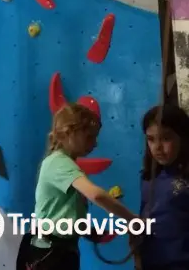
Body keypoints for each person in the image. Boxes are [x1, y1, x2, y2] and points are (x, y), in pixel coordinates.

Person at [15, 103, 138, 270]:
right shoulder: (58, 162)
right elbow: (96, 195)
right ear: (68, 133)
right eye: (89, 137)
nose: (94, 144)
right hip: (46, 254)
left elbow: (64, 213)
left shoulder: (66, 164)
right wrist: (133, 219)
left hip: (58, 250)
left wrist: (89, 231)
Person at [137, 104, 189, 270]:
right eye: (151, 139)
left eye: (166, 138)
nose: (157, 147)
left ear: (183, 137)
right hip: (150, 263)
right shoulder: (148, 178)